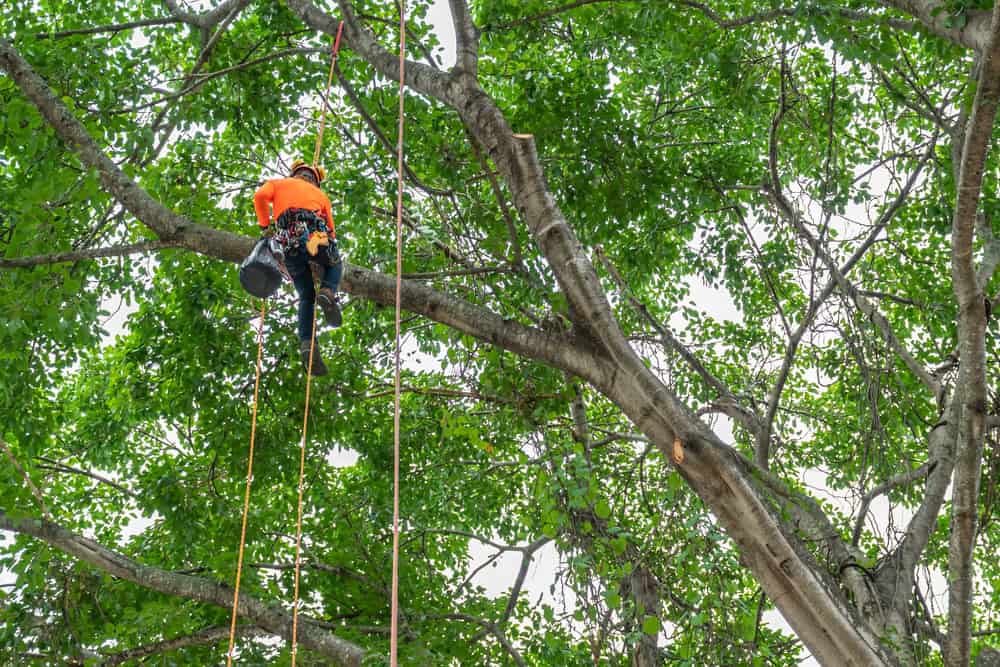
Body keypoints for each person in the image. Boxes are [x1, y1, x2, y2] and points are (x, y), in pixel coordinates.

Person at [254, 159, 342, 376]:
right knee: (336, 263)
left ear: (295, 173)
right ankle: (328, 291)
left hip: (288, 245)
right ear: (315, 180)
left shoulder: (278, 183)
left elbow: (259, 197)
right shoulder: (321, 196)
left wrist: (265, 225)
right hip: (314, 236)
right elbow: (331, 231)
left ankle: (307, 343)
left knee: (305, 295)